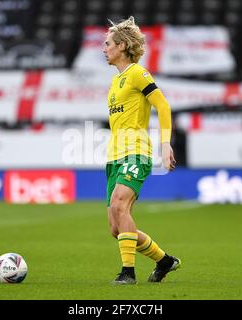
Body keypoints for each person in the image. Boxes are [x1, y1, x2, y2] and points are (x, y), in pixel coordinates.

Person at [103, 16, 181, 285]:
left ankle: (127, 273)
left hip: (136, 153)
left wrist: (165, 142)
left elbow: (163, 105)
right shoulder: (115, 82)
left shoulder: (137, 73)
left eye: (108, 43)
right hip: (114, 157)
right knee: (117, 227)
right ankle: (164, 261)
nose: (104, 48)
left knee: (120, 204)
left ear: (123, 46)